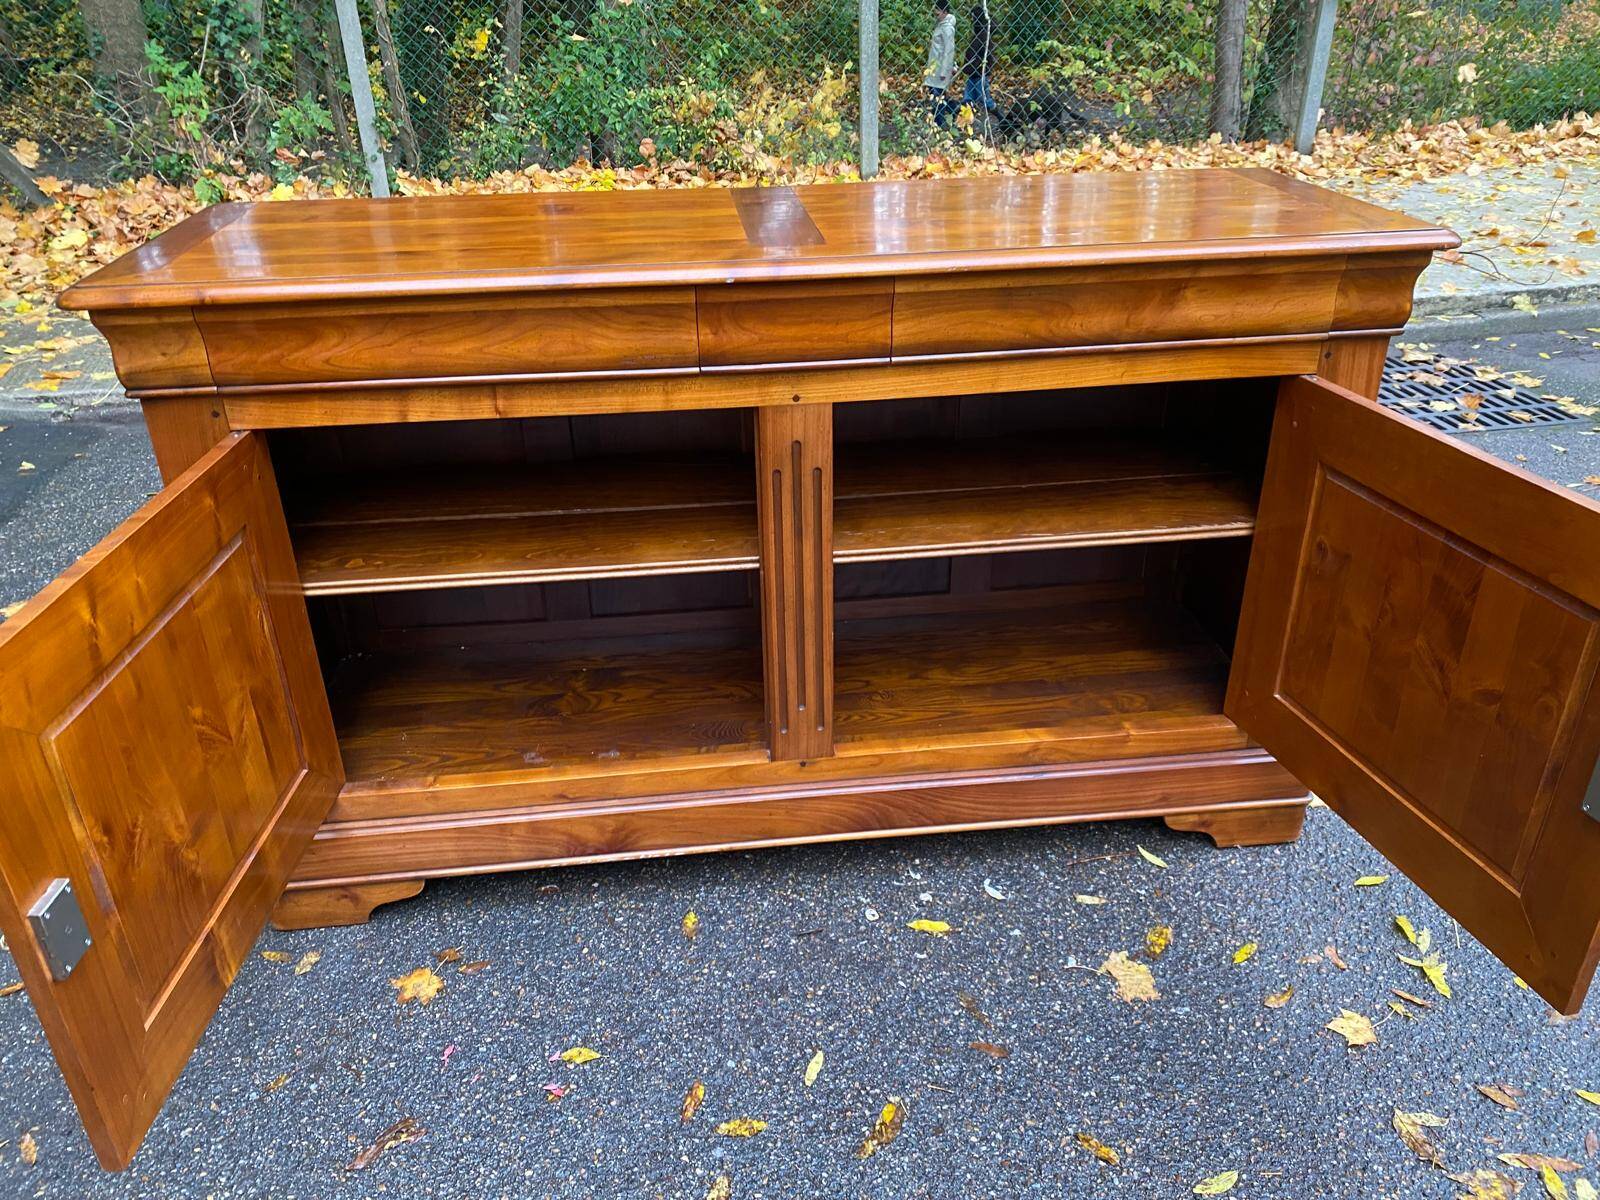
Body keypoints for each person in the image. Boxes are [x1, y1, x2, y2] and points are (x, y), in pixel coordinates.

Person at [924, 0, 956, 127]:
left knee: (938, 96)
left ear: (945, 12)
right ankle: (955, 111)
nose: (935, 15)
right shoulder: (941, 25)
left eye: (937, 12)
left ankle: (939, 123)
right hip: (934, 67)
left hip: (940, 69)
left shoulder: (947, 28)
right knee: (936, 94)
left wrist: (944, 71)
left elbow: (949, 51)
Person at [962, 2, 997, 116]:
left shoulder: (984, 36)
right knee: (967, 98)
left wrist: (976, 67)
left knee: (985, 100)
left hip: (979, 74)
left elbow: (983, 56)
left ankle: (1002, 118)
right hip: (974, 73)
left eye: (973, 17)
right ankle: (964, 120)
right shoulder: (979, 35)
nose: (972, 20)